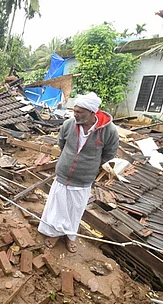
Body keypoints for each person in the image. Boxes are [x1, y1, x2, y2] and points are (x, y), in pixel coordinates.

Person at [37, 92, 119, 253]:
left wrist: (90, 165)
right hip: (63, 174)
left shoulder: (109, 131)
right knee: (58, 207)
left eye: (80, 112)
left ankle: (69, 236)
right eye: (75, 110)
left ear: (92, 113)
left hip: (83, 179)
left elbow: (109, 154)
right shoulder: (69, 124)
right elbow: (61, 143)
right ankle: (54, 234)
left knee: (75, 210)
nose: (76, 114)